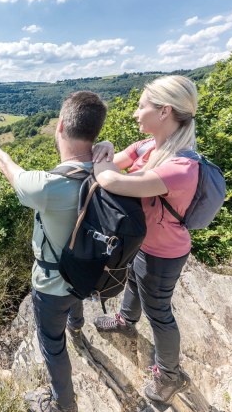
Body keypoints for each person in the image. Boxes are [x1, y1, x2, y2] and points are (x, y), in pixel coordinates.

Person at [0, 91, 108, 412]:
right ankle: (77, 325)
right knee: (76, 291)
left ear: (61, 125)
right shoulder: (109, 171)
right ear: (95, 131)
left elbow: (12, 172)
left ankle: (64, 404)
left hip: (51, 284)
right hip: (88, 271)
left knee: (52, 347)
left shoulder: (47, 186)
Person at [92, 75, 198, 404]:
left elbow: (110, 178)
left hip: (164, 253)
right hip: (145, 243)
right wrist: (108, 149)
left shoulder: (180, 167)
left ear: (164, 111)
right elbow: (117, 160)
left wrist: (104, 154)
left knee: (160, 312)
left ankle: (169, 375)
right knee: (134, 284)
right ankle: (125, 320)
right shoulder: (149, 147)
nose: (136, 114)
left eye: (141, 106)